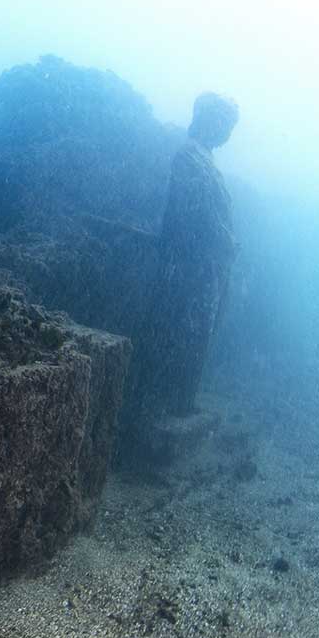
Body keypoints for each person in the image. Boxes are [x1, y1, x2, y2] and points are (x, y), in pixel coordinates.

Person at [129, 92, 238, 426]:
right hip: (193, 265)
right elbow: (195, 213)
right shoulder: (190, 157)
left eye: (230, 124)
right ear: (206, 118)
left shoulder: (201, 159)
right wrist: (222, 239)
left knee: (198, 331)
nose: (226, 130)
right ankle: (170, 403)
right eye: (223, 120)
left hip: (205, 262)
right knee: (188, 331)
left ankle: (179, 400)